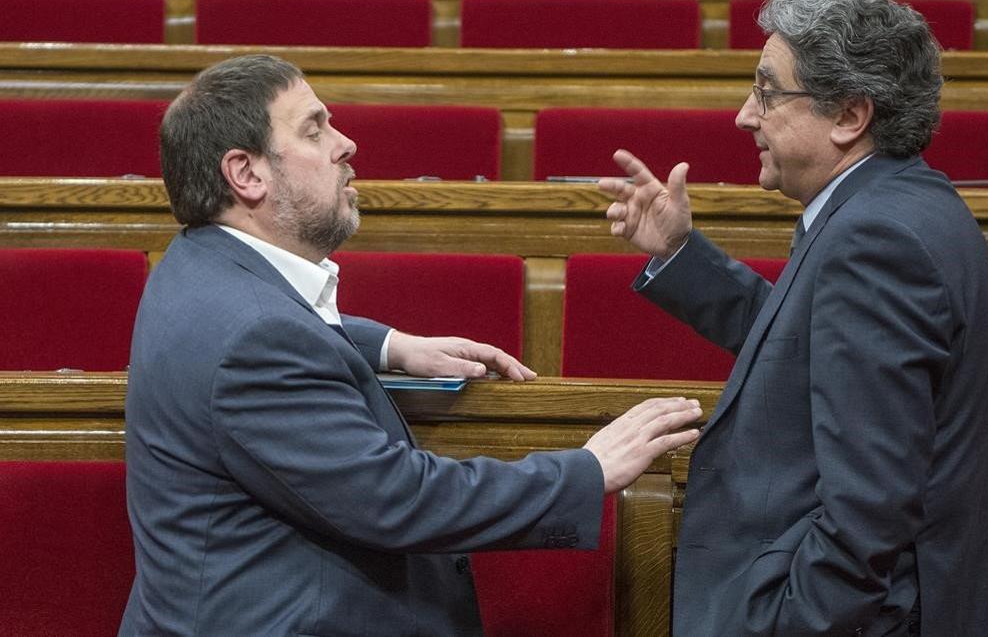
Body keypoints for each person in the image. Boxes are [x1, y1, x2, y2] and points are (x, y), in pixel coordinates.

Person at [120, 54, 701, 636]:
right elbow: (398, 499)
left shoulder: (197, 268)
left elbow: (270, 326)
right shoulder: (255, 338)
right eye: (314, 129)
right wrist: (587, 470)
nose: (345, 144)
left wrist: (389, 345)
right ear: (246, 174)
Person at [598, 0, 988, 636]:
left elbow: (868, 508)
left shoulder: (877, 239)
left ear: (849, 114)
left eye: (767, 92)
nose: (743, 115)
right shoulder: (898, 205)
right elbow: (813, 349)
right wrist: (680, 253)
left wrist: (791, 620)